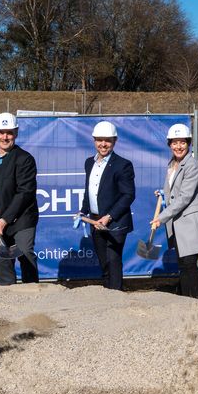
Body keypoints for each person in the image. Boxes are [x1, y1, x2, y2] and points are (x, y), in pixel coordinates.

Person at [152, 123, 198, 297]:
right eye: (174, 143)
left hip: (190, 223)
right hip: (179, 223)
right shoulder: (172, 164)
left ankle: (195, 300)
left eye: (182, 142)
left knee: (189, 264)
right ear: (169, 144)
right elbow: (174, 191)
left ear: (189, 143)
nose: (178, 146)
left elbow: (184, 197)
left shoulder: (192, 166)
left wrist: (161, 218)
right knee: (183, 264)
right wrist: (163, 192)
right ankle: (187, 301)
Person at [0, 112, 40, 285]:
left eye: (9, 133)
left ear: (16, 133)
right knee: (2, 257)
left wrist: (6, 219)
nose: (5, 137)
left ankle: (32, 292)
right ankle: (7, 293)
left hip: (22, 217)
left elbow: (25, 192)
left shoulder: (25, 159)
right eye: (1, 132)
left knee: (25, 253)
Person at [81, 121, 135, 290]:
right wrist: (83, 211)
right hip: (95, 221)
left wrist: (109, 216)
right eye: (99, 140)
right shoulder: (89, 162)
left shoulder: (123, 165)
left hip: (115, 222)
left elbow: (128, 195)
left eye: (107, 140)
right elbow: (89, 190)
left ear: (114, 141)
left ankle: (116, 297)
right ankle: (107, 297)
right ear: (94, 140)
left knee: (113, 261)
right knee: (104, 263)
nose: (103, 144)